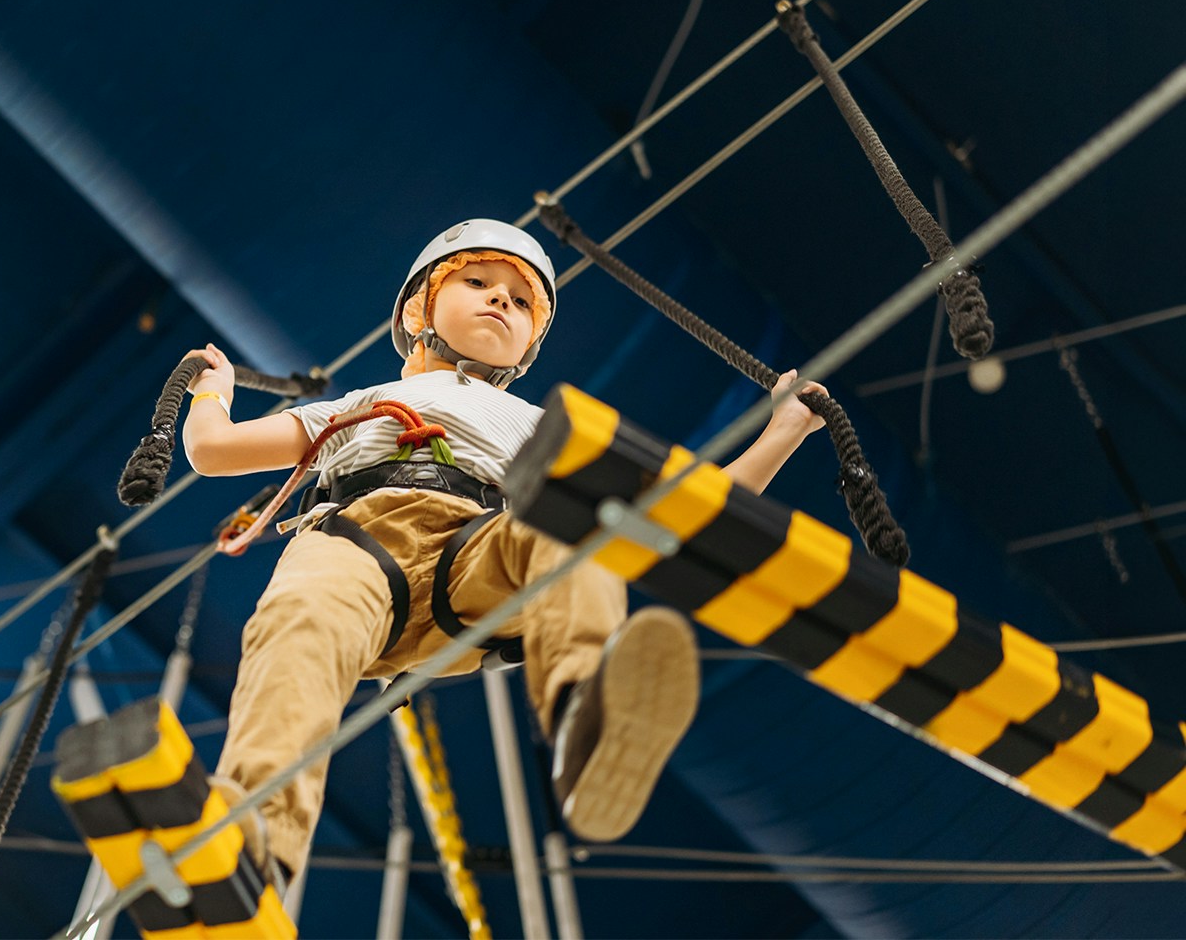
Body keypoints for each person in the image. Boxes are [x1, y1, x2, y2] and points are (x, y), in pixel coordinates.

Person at [180, 219, 827, 883]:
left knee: (579, 525)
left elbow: (688, 514)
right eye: (478, 282)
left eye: (520, 303)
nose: (500, 301)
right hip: (361, 543)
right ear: (417, 310)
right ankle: (257, 840)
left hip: (475, 553)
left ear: (527, 346)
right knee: (303, 618)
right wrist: (211, 391)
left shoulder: (539, 425)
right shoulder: (369, 401)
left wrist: (784, 429)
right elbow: (213, 450)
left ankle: (588, 714)